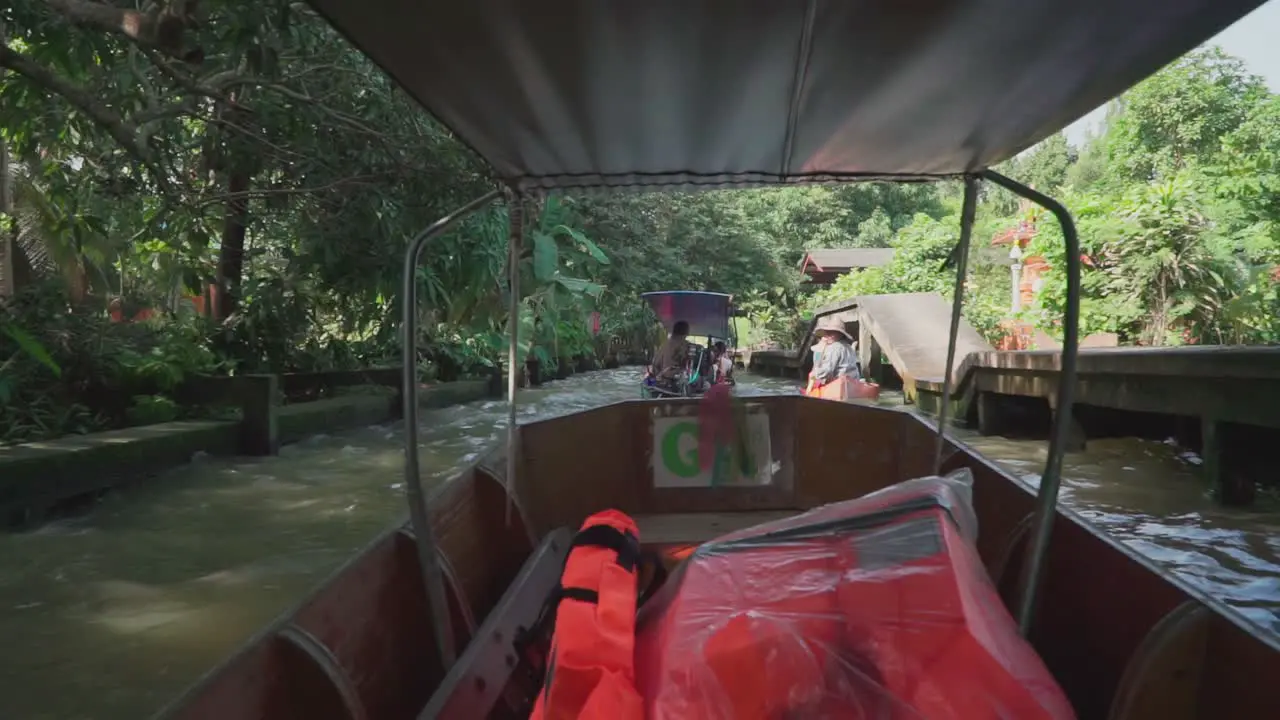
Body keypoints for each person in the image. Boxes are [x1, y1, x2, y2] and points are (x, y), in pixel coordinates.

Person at [808, 317, 860, 391]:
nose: (829, 335)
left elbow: (827, 370)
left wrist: (814, 374)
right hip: (853, 384)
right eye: (828, 332)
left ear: (841, 334)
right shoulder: (848, 346)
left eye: (833, 332)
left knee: (815, 376)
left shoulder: (834, 347)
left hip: (841, 386)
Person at [651, 320, 691, 392]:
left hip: (661, 383)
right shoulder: (687, 346)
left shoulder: (663, 346)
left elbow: (655, 364)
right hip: (678, 385)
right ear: (686, 333)